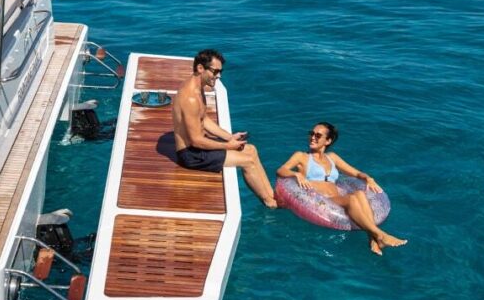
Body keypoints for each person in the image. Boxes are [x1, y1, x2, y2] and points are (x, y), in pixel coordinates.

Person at [276, 122, 407, 255]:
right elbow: (281, 170)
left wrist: (368, 178)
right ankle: (380, 235)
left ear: (328, 141)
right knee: (351, 199)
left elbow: (355, 173)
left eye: (318, 135)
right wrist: (296, 174)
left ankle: (373, 239)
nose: (312, 137)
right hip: (318, 201)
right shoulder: (302, 157)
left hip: (335, 198)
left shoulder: (332, 158)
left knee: (360, 193)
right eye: (311, 134)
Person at [172, 49, 277, 208]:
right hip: (191, 155)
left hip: (199, 148)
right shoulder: (191, 98)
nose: (219, 76)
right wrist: (228, 146)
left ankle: (273, 195)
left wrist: (229, 137)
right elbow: (195, 140)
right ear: (201, 68)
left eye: (221, 71)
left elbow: (204, 119)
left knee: (251, 150)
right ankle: (270, 203)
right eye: (215, 71)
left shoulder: (198, 87)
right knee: (248, 161)